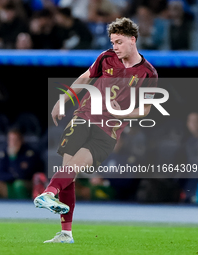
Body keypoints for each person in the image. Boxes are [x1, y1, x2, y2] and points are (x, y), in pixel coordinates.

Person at [33, 17, 158, 243]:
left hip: (109, 131)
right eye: (112, 42)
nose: (115, 47)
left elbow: (146, 109)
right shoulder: (105, 58)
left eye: (119, 42)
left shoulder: (148, 73)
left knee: (72, 171)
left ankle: (49, 196)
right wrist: (64, 100)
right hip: (85, 117)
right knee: (67, 170)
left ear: (132, 39)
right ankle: (64, 230)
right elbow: (85, 78)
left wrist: (122, 114)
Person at [0, 128, 42, 199]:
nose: (13, 143)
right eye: (11, 140)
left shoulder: (29, 153)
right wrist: (13, 176)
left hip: (26, 184)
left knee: (18, 185)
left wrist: (13, 157)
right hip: (8, 183)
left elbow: (23, 175)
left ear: (21, 140)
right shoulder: (4, 153)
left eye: (16, 140)